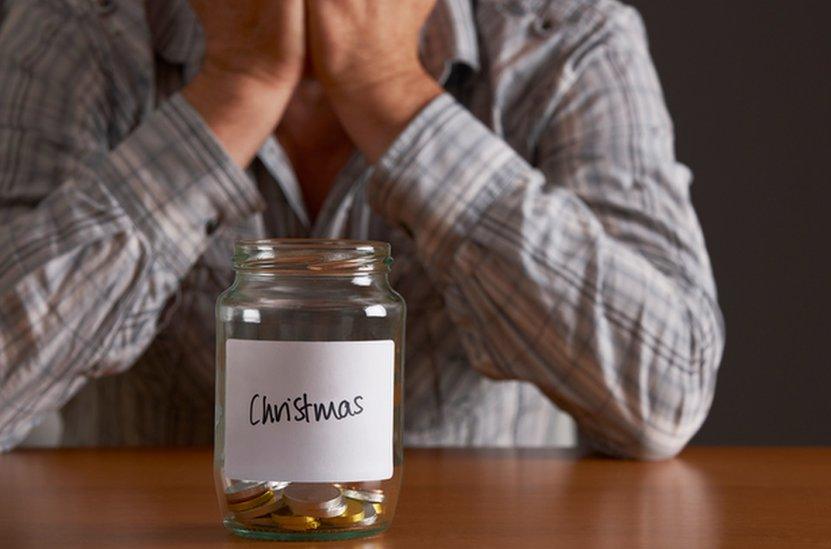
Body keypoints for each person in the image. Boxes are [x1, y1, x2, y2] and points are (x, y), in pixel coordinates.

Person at [0, 0, 723, 459]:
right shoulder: (77, 30)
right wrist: (235, 89)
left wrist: (391, 92)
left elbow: (663, 396)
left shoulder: (568, 39)